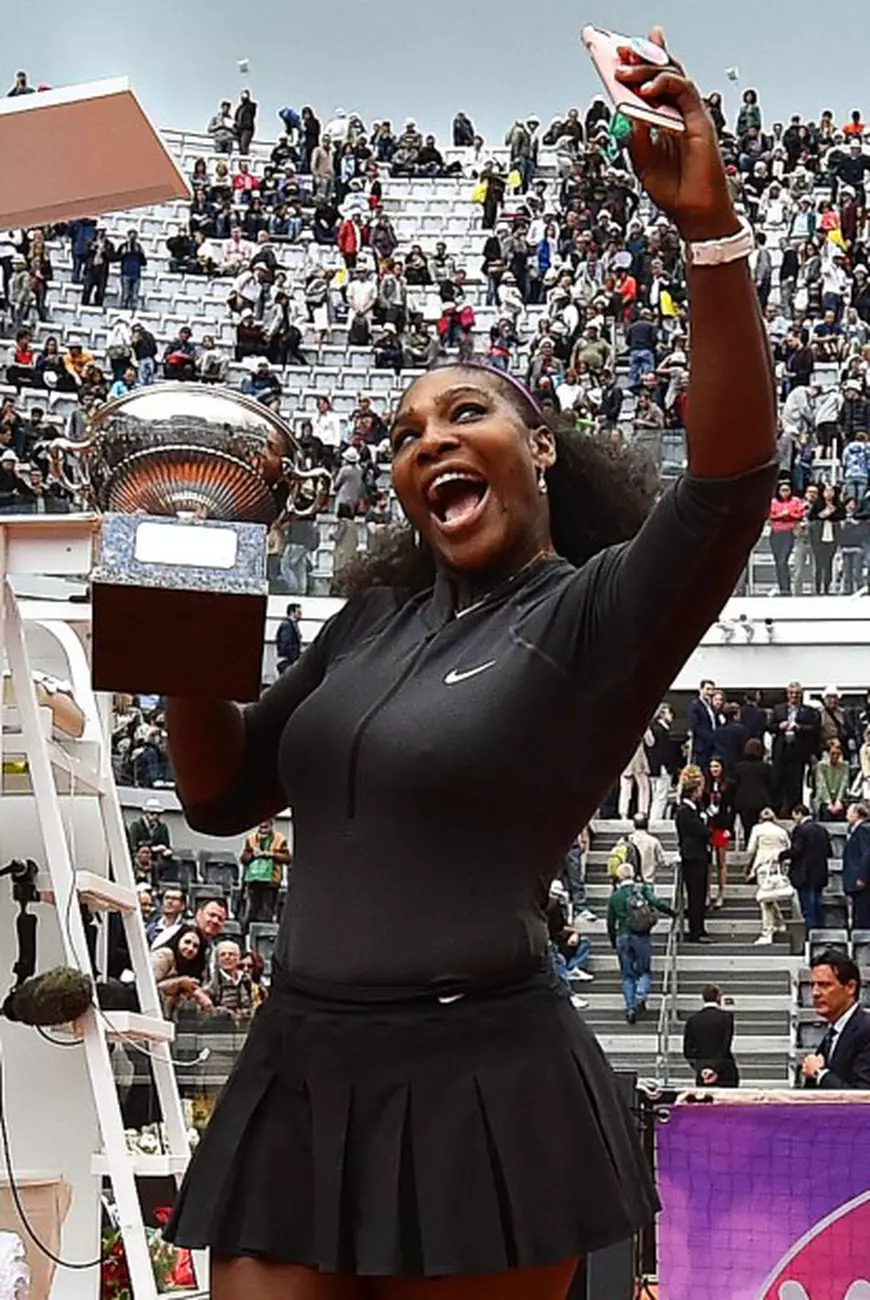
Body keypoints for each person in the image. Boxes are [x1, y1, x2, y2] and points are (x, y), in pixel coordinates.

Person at [164, 38, 776, 1296]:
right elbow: (218, 796)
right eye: (403, 431)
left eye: (466, 413)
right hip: (297, 1061)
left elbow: (729, 485)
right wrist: (177, 592)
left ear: (538, 446)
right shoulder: (368, 624)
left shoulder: (595, 617)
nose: (429, 437)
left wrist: (711, 237)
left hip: (480, 1090)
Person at [607, 862, 675, 1024]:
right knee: (644, 970)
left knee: (627, 975)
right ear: (633, 874)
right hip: (641, 936)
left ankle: (630, 1008)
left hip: (623, 936)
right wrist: (672, 912)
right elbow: (656, 902)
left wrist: (612, 940)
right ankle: (641, 994)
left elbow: (610, 921)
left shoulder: (615, 896)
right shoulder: (642, 890)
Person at [801, 950, 870, 1089]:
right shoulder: (832, 1034)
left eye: (824, 985)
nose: (815, 993)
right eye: (812, 985)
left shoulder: (866, 1030)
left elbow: (862, 1098)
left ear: (850, 987)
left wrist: (819, 1074)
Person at [780, 804, 831, 939]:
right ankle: (822, 938)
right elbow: (829, 851)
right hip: (819, 873)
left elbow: (797, 850)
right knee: (817, 907)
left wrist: (781, 855)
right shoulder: (822, 829)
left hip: (804, 874)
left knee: (808, 909)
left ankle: (811, 939)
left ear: (798, 813)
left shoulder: (800, 830)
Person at [769, 681, 819, 816]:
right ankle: (777, 809)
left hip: (798, 751)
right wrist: (779, 726)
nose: (794, 696)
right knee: (778, 780)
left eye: (797, 694)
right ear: (787, 694)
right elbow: (769, 726)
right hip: (781, 749)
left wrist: (799, 727)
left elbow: (814, 729)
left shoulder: (808, 711)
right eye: (791, 693)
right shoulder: (778, 709)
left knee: (795, 781)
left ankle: (794, 810)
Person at [745, 808, 792, 945]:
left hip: (763, 866)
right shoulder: (781, 831)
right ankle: (779, 923)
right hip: (778, 867)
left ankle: (767, 932)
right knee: (770, 896)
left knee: (765, 899)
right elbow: (788, 847)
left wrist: (750, 865)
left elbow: (750, 850)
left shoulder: (757, 829)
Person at [676, 769, 712, 944]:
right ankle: (695, 931)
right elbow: (701, 831)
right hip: (692, 856)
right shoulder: (684, 811)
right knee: (695, 895)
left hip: (700, 855)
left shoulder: (695, 809)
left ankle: (700, 927)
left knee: (700, 893)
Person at [682, 985, 739, 1087]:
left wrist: (702, 1069)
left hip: (703, 1074)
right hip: (725, 1071)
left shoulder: (693, 1020)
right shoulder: (726, 1018)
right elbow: (725, 1045)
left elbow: (688, 1050)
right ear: (718, 997)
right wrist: (714, 1068)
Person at [240, 817, 291, 924]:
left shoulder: (280, 839)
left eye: (266, 825)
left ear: (271, 824)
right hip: (253, 881)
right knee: (251, 912)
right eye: (261, 826)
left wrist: (271, 855)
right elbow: (244, 858)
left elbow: (287, 858)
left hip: (271, 882)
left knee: (267, 913)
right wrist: (253, 855)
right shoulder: (251, 838)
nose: (263, 828)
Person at [703, 757, 735, 909]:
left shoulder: (728, 784)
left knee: (721, 862)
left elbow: (732, 807)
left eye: (716, 766)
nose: (714, 769)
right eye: (711, 767)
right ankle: (708, 893)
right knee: (708, 863)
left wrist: (730, 827)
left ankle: (721, 893)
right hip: (708, 826)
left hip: (722, 825)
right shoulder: (705, 785)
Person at [733, 738, 775, 842]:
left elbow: (735, 784)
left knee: (748, 828)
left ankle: (749, 847)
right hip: (762, 800)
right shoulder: (766, 767)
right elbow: (772, 784)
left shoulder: (739, 767)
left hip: (743, 801)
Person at [843, 801, 870, 931]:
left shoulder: (864, 829)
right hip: (856, 879)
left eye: (849, 812)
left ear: (856, 814)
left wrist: (863, 877)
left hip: (861, 880)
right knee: (857, 913)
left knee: (862, 914)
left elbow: (867, 854)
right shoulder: (855, 830)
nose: (846, 814)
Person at [814, 737, 850, 821]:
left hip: (839, 799)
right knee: (827, 812)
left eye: (838, 754)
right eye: (833, 753)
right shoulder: (821, 766)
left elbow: (844, 783)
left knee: (840, 811)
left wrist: (838, 800)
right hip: (824, 799)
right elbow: (821, 784)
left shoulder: (845, 766)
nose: (835, 756)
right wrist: (829, 802)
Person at [687, 679, 718, 770]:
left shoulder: (710, 706)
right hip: (701, 746)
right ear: (701, 690)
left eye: (712, 690)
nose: (710, 692)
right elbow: (695, 726)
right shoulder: (695, 706)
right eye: (707, 689)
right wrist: (711, 737)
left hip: (712, 746)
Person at [628, 813, 666, 884]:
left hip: (630, 882)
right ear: (647, 824)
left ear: (634, 825)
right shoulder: (653, 841)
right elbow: (661, 860)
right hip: (648, 880)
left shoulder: (626, 840)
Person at [276, 602, 302, 673]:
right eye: (298, 612)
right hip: (287, 662)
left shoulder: (292, 625)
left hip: (288, 661)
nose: (301, 614)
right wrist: (294, 659)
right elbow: (286, 644)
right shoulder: (287, 625)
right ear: (292, 612)